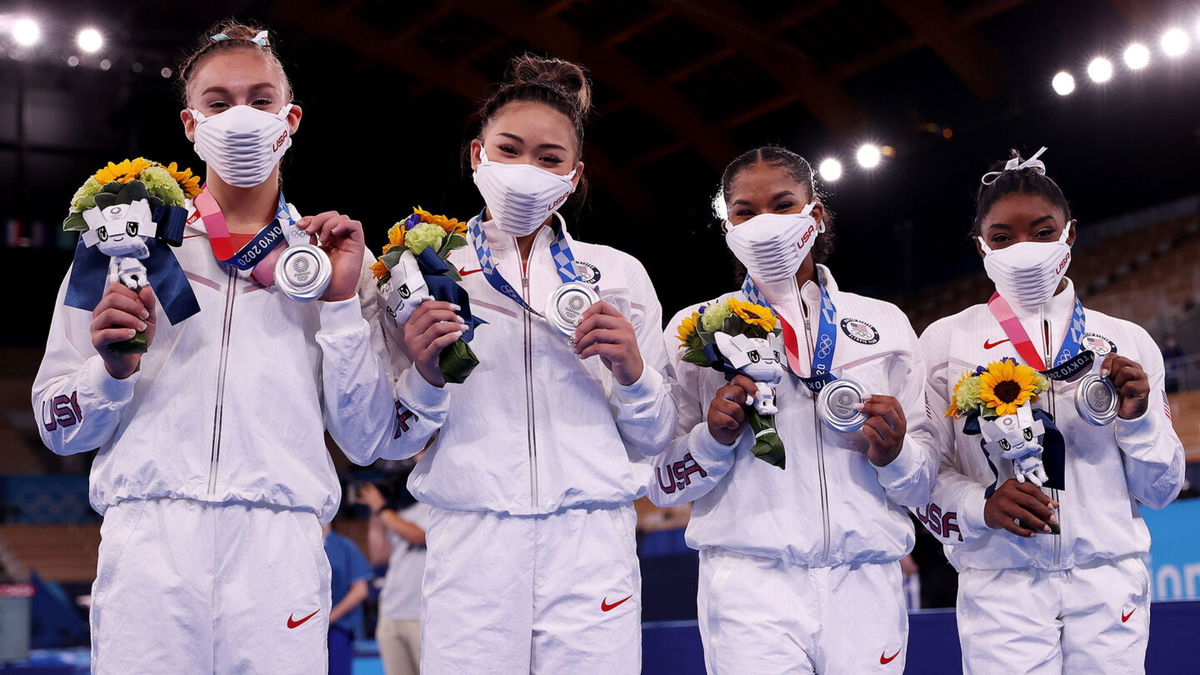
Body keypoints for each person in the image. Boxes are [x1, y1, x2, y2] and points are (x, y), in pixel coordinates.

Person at [31, 21, 397, 673]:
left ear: (291, 120)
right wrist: (110, 373)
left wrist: (340, 305)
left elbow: (368, 437)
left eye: (260, 100)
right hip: (149, 543)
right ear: (189, 123)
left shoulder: (333, 258)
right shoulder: (125, 244)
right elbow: (57, 424)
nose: (241, 118)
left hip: (279, 547)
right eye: (218, 102)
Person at [384, 54, 675, 672]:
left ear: (574, 176)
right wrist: (426, 377)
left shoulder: (618, 275)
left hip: (590, 539)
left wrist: (635, 376)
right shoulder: (420, 271)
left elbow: (654, 437)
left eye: (549, 159)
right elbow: (386, 441)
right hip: (472, 536)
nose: (526, 171)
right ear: (476, 155)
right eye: (509, 150)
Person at [650, 146, 936, 673]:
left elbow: (925, 483)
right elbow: (661, 483)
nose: (765, 224)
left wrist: (896, 454)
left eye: (783, 205)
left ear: (815, 213)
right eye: (745, 211)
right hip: (749, 585)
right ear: (728, 225)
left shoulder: (886, 324)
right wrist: (710, 441)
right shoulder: (692, 331)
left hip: (866, 579)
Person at [916, 148, 1185, 674]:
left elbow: (1161, 489)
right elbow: (922, 474)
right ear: (981, 247)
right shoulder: (947, 340)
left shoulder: (1128, 340)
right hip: (1000, 581)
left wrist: (1138, 419)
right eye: (1003, 237)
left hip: (1109, 579)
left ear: (1071, 234)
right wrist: (979, 503)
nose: (1024, 249)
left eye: (1042, 232)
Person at [358, 480, 429, 675]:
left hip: (421, 614)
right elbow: (378, 556)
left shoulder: (434, 506)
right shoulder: (396, 515)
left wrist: (381, 508)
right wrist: (375, 512)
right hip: (390, 612)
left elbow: (418, 536)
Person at [324, 520, 374, 675]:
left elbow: (360, 590)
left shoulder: (344, 547)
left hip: (337, 627)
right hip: (302, 627)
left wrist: (329, 618)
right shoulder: (298, 547)